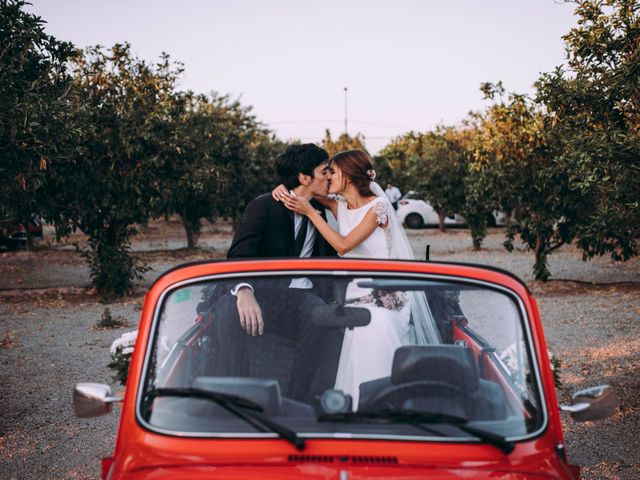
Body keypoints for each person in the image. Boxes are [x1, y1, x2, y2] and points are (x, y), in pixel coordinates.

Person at [274, 149, 440, 407]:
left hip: (386, 294)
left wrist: (311, 213)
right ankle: (349, 405)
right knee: (348, 330)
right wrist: (282, 188)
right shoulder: (339, 203)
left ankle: (379, 405)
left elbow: (343, 246)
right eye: (326, 172)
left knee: (373, 327)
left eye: (333, 172)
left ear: (348, 176)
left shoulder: (378, 207)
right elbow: (305, 190)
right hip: (353, 295)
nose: (328, 176)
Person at [211, 143, 342, 403]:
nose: (329, 176)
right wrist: (245, 291)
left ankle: (296, 401)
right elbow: (238, 256)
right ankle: (237, 397)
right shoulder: (264, 206)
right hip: (266, 295)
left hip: (304, 298)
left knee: (321, 315)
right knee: (227, 308)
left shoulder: (326, 209)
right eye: (324, 171)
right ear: (305, 178)